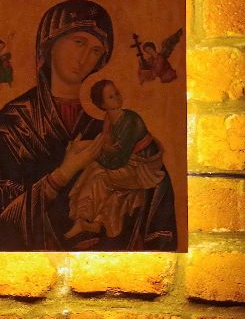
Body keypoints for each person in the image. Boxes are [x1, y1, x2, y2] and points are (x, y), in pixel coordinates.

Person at [0, 0, 176, 251]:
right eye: (79, 42)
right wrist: (63, 174)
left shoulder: (114, 121)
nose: (85, 57)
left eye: (96, 50)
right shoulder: (10, 126)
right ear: (50, 44)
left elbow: (157, 189)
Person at [64, 79, 176, 250]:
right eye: (111, 96)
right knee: (94, 170)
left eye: (116, 93)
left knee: (99, 175)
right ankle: (83, 220)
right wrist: (99, 150)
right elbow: (109, 150)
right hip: (127, 164)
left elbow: (118, 160)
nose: (117, 97)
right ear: (102, 104)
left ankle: (87, 219)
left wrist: (97, 153)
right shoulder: (109, 120)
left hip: (142, 168)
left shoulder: (130, 120)